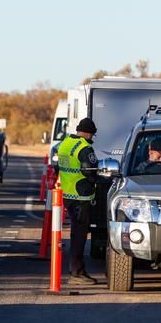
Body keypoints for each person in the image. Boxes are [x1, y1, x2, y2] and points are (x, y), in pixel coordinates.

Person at [57, 117, 98, 285]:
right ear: (88, 133)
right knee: (80, 236)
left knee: (75, 234)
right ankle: (77, 273)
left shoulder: (65, 143)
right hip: (81, 197)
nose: (92, 138)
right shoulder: (84, 147)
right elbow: (90, 171)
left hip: (68, 194)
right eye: (92, 135)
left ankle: (75, 269)